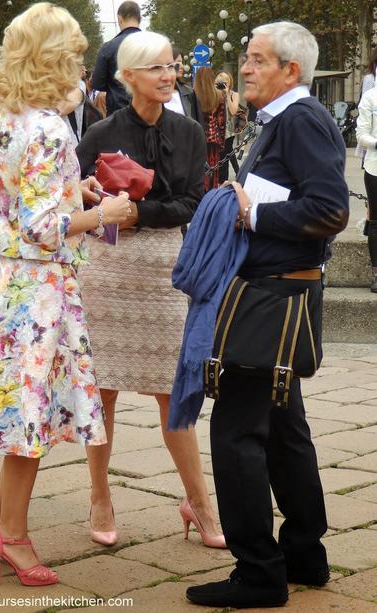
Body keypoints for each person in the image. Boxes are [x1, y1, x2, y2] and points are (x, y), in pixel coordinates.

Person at [0, 2, 130, 587]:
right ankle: (11, 538)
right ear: (53, 58)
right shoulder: (49, 126)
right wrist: (103, 210)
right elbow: (41, 226)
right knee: (30, 420)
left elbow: (2, 212)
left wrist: (71, 191)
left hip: (13, 284)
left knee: (22, 413)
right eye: (75, 54)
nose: (81, 65)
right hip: (41, 288)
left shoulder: (6, 116)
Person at [186, 21, 349, 609]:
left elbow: (330, 210)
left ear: (291, 71)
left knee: (235, 435)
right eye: (247, 58)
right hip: (279, 294)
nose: (245, 68)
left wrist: (251, 216)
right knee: (283, 432)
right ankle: (305, 554)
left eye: (257, 60)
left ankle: (258, 572)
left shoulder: (301, 120)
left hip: (271, 298)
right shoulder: (287, 120)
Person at [77, 31, 225, 550]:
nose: (169, 75)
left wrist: (142, 211)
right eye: (157, 67)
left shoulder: (188, 131)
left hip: (166, 266)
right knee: (102, 392)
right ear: (130, 75)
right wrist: (100, 204)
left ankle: (199, 502)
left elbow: (191, 203)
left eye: (172, 66)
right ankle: (100, 495)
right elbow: (77, 200)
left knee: (172, 391)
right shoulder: (98, 134)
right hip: (107, 269)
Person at [91, 1, 141, 116]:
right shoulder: (154, 44)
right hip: (151, 113)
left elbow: (98, 83)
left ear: (119, 19)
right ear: (139, 18)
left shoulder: (108, 47)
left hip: (119, 113)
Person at [356, 84, 377, 292]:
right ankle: (376, 272)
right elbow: (361, 133)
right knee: (376, 220)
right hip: (375, 166)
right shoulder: (371, 97)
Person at [193, 67, 226, 190]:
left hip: (198, 139)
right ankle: (211, 196)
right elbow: (221, 122)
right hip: (214, 139)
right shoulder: (219, 96)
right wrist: (221, 143)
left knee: (199, 170)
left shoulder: (193, 96)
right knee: (213, 171)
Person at [165, 47, 204, 127]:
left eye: (182, 62)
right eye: (178, 62)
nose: (182, 66)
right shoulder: (152, 93)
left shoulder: (189, 92)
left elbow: (197, 124)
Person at [214, 70, 240, 182]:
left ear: (229, 83)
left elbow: (233, 111)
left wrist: (227, 93)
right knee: (214, 160)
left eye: (224, 81)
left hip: (227, 133)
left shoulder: (234, 94)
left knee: (224, 161)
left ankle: (222, 184)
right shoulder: (213, 93)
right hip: (213, 132)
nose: (222, 83)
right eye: (220, 81)